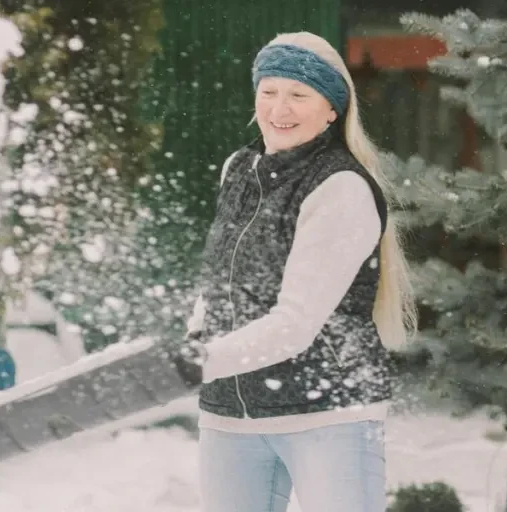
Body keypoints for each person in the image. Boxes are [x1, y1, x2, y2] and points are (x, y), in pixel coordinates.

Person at [182, 31, 416, 512]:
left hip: (327, 408)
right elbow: (221, 276)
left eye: (299, 95)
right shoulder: (239, 167)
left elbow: (295, 324)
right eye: (269, 92)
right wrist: (193, 336)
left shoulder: (340, 186)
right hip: (231, 412)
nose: (279, 108)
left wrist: (194, 363)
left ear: (332, 108)